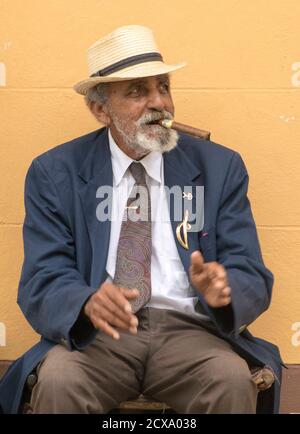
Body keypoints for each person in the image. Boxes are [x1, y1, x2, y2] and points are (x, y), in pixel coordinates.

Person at [0, 24, 283, 414]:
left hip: (192, 332)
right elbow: (42, 275)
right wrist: (85, 302)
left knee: (230, 378)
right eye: (137, 91)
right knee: (60, 381)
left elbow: (250, 269)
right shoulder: (55, 172)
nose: (159, 103)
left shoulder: (220, 167)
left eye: (163, 87)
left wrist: (226, 290)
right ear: (101, 109)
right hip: (98, 337)